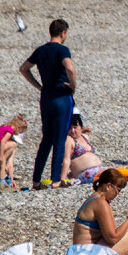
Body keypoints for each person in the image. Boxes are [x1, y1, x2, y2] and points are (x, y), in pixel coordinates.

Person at [20, 19, 76, 190]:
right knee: (59, 139)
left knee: (46, 139)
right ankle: (56, 181)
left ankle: (36, 181)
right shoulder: (62, 49)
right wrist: (72, 86)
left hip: (46, 97)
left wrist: (38, 86)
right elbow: (70, 68)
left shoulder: (41, 50)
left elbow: (24, 69)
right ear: (63, 33)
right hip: (61, 96)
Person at [60, 112, 128, 184]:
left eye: (75, 127)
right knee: (118, 173)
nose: (72, 130)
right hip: (86, 173)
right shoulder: (69, 140)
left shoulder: (85, 137)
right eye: (69, 128)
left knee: (122, 176)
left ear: (81, 127)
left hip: (97, 170)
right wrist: (63, 179)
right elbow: (66, 160)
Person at [71, 168, 128, 255]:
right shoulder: (100, 203)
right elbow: (113, 238)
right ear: (108, 186)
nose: (118, 193)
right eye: (118, 189)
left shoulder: (94, 199)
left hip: (85, 251)